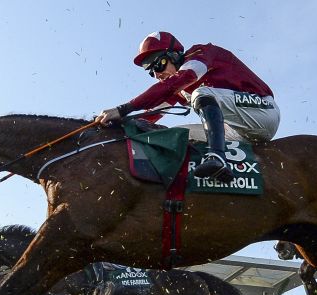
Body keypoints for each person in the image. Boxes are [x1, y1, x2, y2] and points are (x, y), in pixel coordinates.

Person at [94, 31, 280, 183]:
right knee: (177, 133)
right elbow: (151, 115)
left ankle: (217, 158)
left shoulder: (201, 53)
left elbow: (182, 79)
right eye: (151, 72)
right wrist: (116, 126)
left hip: (263, 112)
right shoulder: (180, 89)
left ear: (175, 55)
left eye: (159, 65)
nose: (157, 74)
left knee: (201, 93)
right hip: (240, 131)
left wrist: (122, 108)